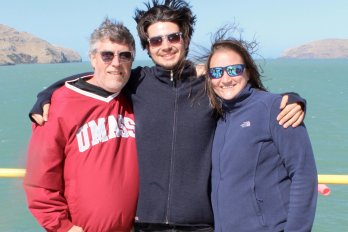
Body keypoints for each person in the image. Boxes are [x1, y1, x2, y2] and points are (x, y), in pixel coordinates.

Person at [29, 1, 306, 231]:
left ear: (185, 39)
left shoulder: (208, 83)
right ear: (147, 47)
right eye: (156, 40)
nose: (166, 45)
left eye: (173, 37)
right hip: (144, 224)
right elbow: (99, 78)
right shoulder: (137, 82)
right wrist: (47, 94)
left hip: (201, 224)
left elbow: (249, 97)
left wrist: (293, 99)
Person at [23, 18, 139, 232]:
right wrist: (62, 227)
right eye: (107, 55)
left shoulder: (137, 98)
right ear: (93, 58)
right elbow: (40, 178)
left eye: (124, 55)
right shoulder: (59, 104)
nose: (116, 62)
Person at [205, 35, 318, 231]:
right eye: (216, 72)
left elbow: (303, 174)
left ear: (247, 72)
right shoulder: (218, 116)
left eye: (234, 70)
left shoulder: (276, 108)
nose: (225, 79)